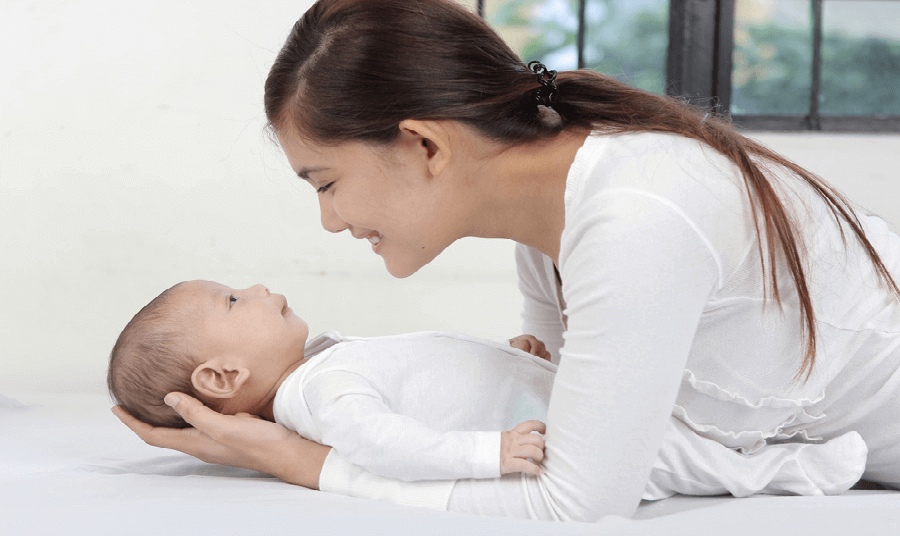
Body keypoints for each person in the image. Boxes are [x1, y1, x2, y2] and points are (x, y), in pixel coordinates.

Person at [113, 0, 900, 522]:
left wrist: (304, 462)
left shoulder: (635, 215)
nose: (329, 220)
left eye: (327, 183)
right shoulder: (553, 212)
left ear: (423, 144)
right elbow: (564, 411)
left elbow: (577, 507)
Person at [109, 279, 866, 507]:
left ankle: (770, 444)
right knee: (676, 458)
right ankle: (790, 472)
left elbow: (437, 378)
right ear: (221, 379)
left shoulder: (326, 363)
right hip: (540, 434)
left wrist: (515, 360)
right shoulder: (319, 396)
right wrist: (489, 452)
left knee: (673, 420)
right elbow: (389, 448)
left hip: (538, 398)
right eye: (235, 303)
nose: (259, 288)